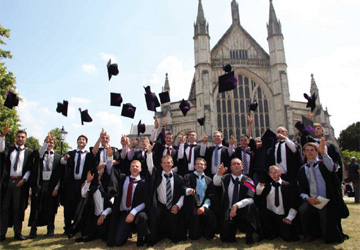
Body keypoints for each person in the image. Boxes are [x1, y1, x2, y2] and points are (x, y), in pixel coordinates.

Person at [297, 140, 349, 243]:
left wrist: (324, 153)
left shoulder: (323, 165)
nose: (310, 152)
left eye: (312, 150)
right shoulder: (303, 169)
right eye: (307, 150)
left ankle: (327, 236)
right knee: (303, 210)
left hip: (326, 199)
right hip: (311, 199)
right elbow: (301, 189)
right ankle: (309, 234)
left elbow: (331, 167)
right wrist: (308, 198)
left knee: (324, 213)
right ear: (304, 153)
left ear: (317, 152)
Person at [106, 150, 150, 247]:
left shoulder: (143, 183)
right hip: (123, 214)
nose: (134, 168)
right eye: (132, 166)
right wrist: (109, 158)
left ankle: (141, 237)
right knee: (117, 242)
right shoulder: (122, 179)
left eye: (137, 166)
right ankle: (127, 231)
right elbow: (110, 171)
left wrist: (133, 212)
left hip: (136, 213)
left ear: (141, 169)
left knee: (142, 217)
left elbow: (145, 202)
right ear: (129, 168)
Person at [213, 158, 259, 245]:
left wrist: (236, 205)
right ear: (230, 167)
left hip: (243, 212)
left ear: (242, 167)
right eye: (234, 164)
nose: (236, 166)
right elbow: (216, 183)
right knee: (226, 239)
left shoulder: (248, 179)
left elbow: (251, 198)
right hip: (228, 212)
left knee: (251, 207)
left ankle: (249, 236)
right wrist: (219, 173)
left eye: (238, 164)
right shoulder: (225, 178)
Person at [146, 147, 186, 246]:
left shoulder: (179, 178)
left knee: (175, 228)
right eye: (164, 163)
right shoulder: (157, 175)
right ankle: (154, 239)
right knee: (155, 218)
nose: (167, 165)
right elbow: (150, 167)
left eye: (169, 162)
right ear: (161, 164)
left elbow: (182, 194)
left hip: (173, 204)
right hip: (160, 204)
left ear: (172, 164)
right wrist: (149, 153)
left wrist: (178, 206)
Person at [0, 125, 33, 241]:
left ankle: (17, 233)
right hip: (8, 182)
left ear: (26, 139)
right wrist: (3, 135)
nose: (20, 139)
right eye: (18, 137)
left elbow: (30, 168)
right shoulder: (10, 149)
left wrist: (23, 180)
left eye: (22, 137)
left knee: (18, 209)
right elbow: (1, 149)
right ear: (15, 137)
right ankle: (2, 233)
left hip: (20, 182)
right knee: (4, 208)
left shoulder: (28, 152)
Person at [28, 133, 63, 238]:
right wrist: (45, 142)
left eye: (52, 142)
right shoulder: (40, 154)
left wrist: (56, 188)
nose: (50, 144)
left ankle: (50, 230)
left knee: (51, 208)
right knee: (36, 208)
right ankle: (33, 230)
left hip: (51, 185)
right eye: (48, 142)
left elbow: (59, 175)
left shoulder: (58, 157)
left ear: (54, 144)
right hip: (40, 183)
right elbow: (40, 152)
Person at [60, 135, 93, 236]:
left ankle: (78, 227)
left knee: (80, 205)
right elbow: (62, 162)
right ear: (77, 141)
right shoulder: (70, 153)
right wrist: (64, 158)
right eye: (79, 139)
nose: (81, 141)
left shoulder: (88, 155)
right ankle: (67, 227)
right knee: (69, 205)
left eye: (83, 140)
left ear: (86, 143)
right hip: (72, 182)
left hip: (82, 183)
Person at [256, 165, 299, 242]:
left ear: (280, 173)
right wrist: (260, 185)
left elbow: (293, 204)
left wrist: (289, 218)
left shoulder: (287, 186)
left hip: (283, 216)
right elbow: (258, 193)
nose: (274, 175)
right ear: (269, 174)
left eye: (276, 172)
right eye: (271, 173)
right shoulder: (266, 186)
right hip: (271, 216)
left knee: (288, 236)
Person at [72, 167, 112, 243]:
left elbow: (112, 205)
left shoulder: (110, 188)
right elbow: (83, 194)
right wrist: (88, 181)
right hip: (94, 218)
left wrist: (103, 215)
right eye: (99, 175)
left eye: (102, 175)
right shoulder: (93, 187)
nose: (100, 177)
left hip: (106, 217)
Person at [183, 158, 217, 240]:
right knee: (194, 236)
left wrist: (204, 206)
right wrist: (189, 190)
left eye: (201, 164)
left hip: (203, 205)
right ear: (194, 166)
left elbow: (210, 195)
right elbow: (183, 187)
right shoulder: (188, 177)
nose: (199, 166)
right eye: (197, 164)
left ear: (205, 166)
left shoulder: (208, 180)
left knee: (209, 233)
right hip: (192, 206)